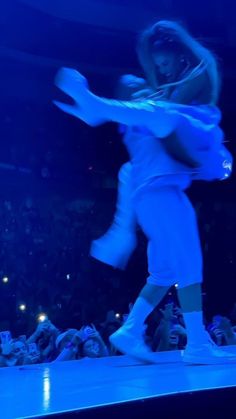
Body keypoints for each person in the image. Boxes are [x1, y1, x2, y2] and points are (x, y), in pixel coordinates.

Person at [53, 20, 234, 364]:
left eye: (161, 65)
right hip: (163, 196)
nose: (150, 79)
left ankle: (131, 329)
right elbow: (164, 122)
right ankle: (197, 344)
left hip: (153, 200)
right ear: (127, 98)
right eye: (137, 83)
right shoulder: (146, 117)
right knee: (190, 263)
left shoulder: (146, 120)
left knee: (164, 272)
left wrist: (122, 231)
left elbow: (137, 167)